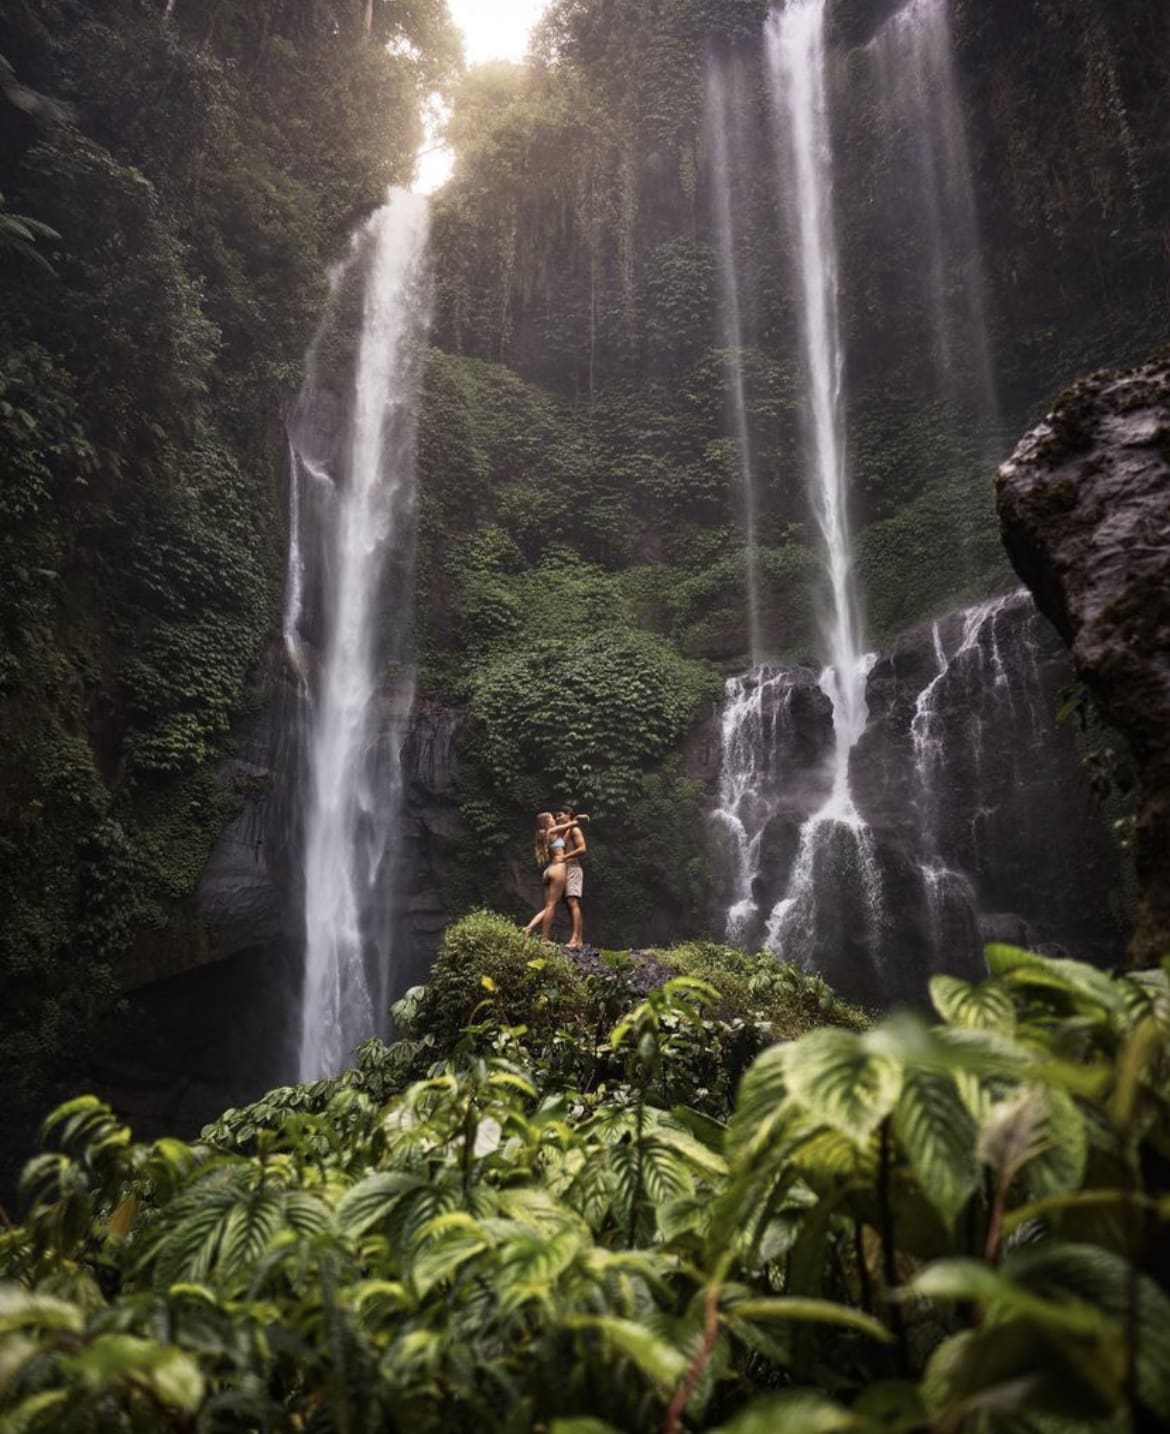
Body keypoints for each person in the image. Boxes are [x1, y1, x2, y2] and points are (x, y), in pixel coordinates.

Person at [523, 812, 571, 941]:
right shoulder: (553, 830)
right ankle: (544, 938)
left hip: (550, 870)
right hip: (558, 868)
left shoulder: (548, 834)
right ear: (546, 822)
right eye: (552, 818)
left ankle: (528, 928)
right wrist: (575, 819)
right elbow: (573, 824)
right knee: (551, 906)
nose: (554, 819)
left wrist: (569, 827)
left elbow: (563, 843)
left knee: (549, 906)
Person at [556, 806, 588, 949]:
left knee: (572, 901)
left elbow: (582, 848)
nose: (557, 819)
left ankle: (575, 938)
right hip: (565, 869)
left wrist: (565, 857)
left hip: (573, 868)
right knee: (570, 905)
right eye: (555, 817)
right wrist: (574, 820)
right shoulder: (566, 831)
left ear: (568, 814)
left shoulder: (574, 830)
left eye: (560, 815)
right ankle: (579, 940)